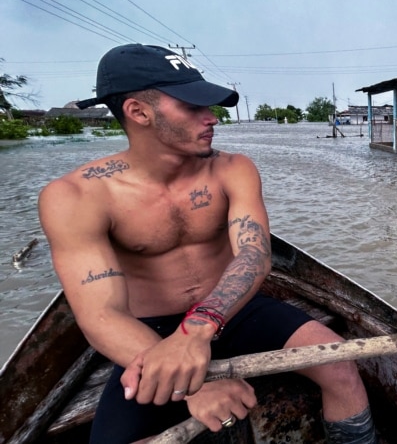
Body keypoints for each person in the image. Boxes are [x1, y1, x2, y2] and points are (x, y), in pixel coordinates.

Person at [38, 44, 376, 444]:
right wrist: (194, 385)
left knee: (340, 365)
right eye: (192, 106)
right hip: (149, 332)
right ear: (138, 112)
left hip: (234, 309)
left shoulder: (232, 168)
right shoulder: (75, 196)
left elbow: (254, 253)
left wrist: (198, 330)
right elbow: (100, 314)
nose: (211, 117)